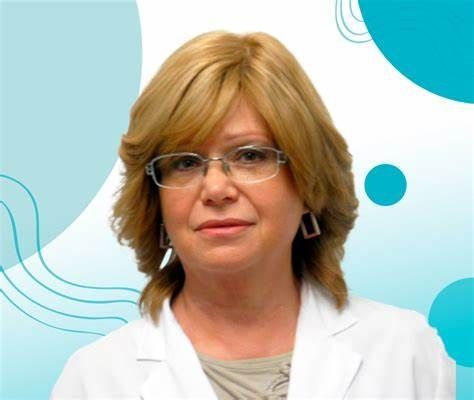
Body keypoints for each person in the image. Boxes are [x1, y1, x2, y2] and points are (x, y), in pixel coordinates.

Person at [51, 31, 455, 399]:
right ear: (155, 200)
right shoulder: (94, 381)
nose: (215, 189)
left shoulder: (407, 353)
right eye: (185, 163)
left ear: (308, 181)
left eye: (249, 156)